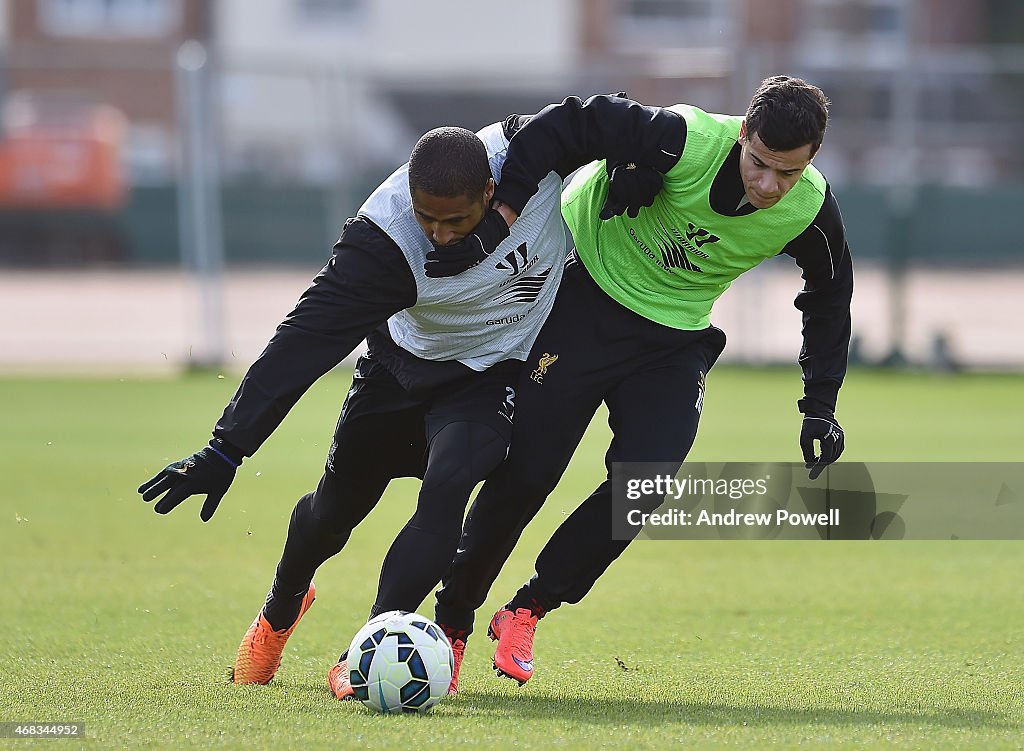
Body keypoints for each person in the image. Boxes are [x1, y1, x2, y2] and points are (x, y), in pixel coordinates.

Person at [137, 116, 666, 697]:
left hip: (489, 377)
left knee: (451, 483)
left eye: (455, 219)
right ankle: (280, 608)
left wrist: (640, 167)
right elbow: (302, 342)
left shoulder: (530, 158)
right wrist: (226, 448)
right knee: (332, 514)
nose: (438, 234)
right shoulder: (381, 243)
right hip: (398, 372)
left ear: (491, 193)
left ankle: (370, 647)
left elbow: (608, 117)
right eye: (426, 217)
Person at [432, 77, 853, 686]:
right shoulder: (682, 139)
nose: (767, 185)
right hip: (582, 297)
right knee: (526, 472)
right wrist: (508, 209)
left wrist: (820, 404)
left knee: (645, 483)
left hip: (673, 338)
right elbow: (570, 121)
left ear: (811, 161)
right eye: (758, 163)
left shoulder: (809, 209)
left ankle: (528, 608)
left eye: (786, 174)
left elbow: (831, 295)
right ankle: (451, 624)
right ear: (743, 135)